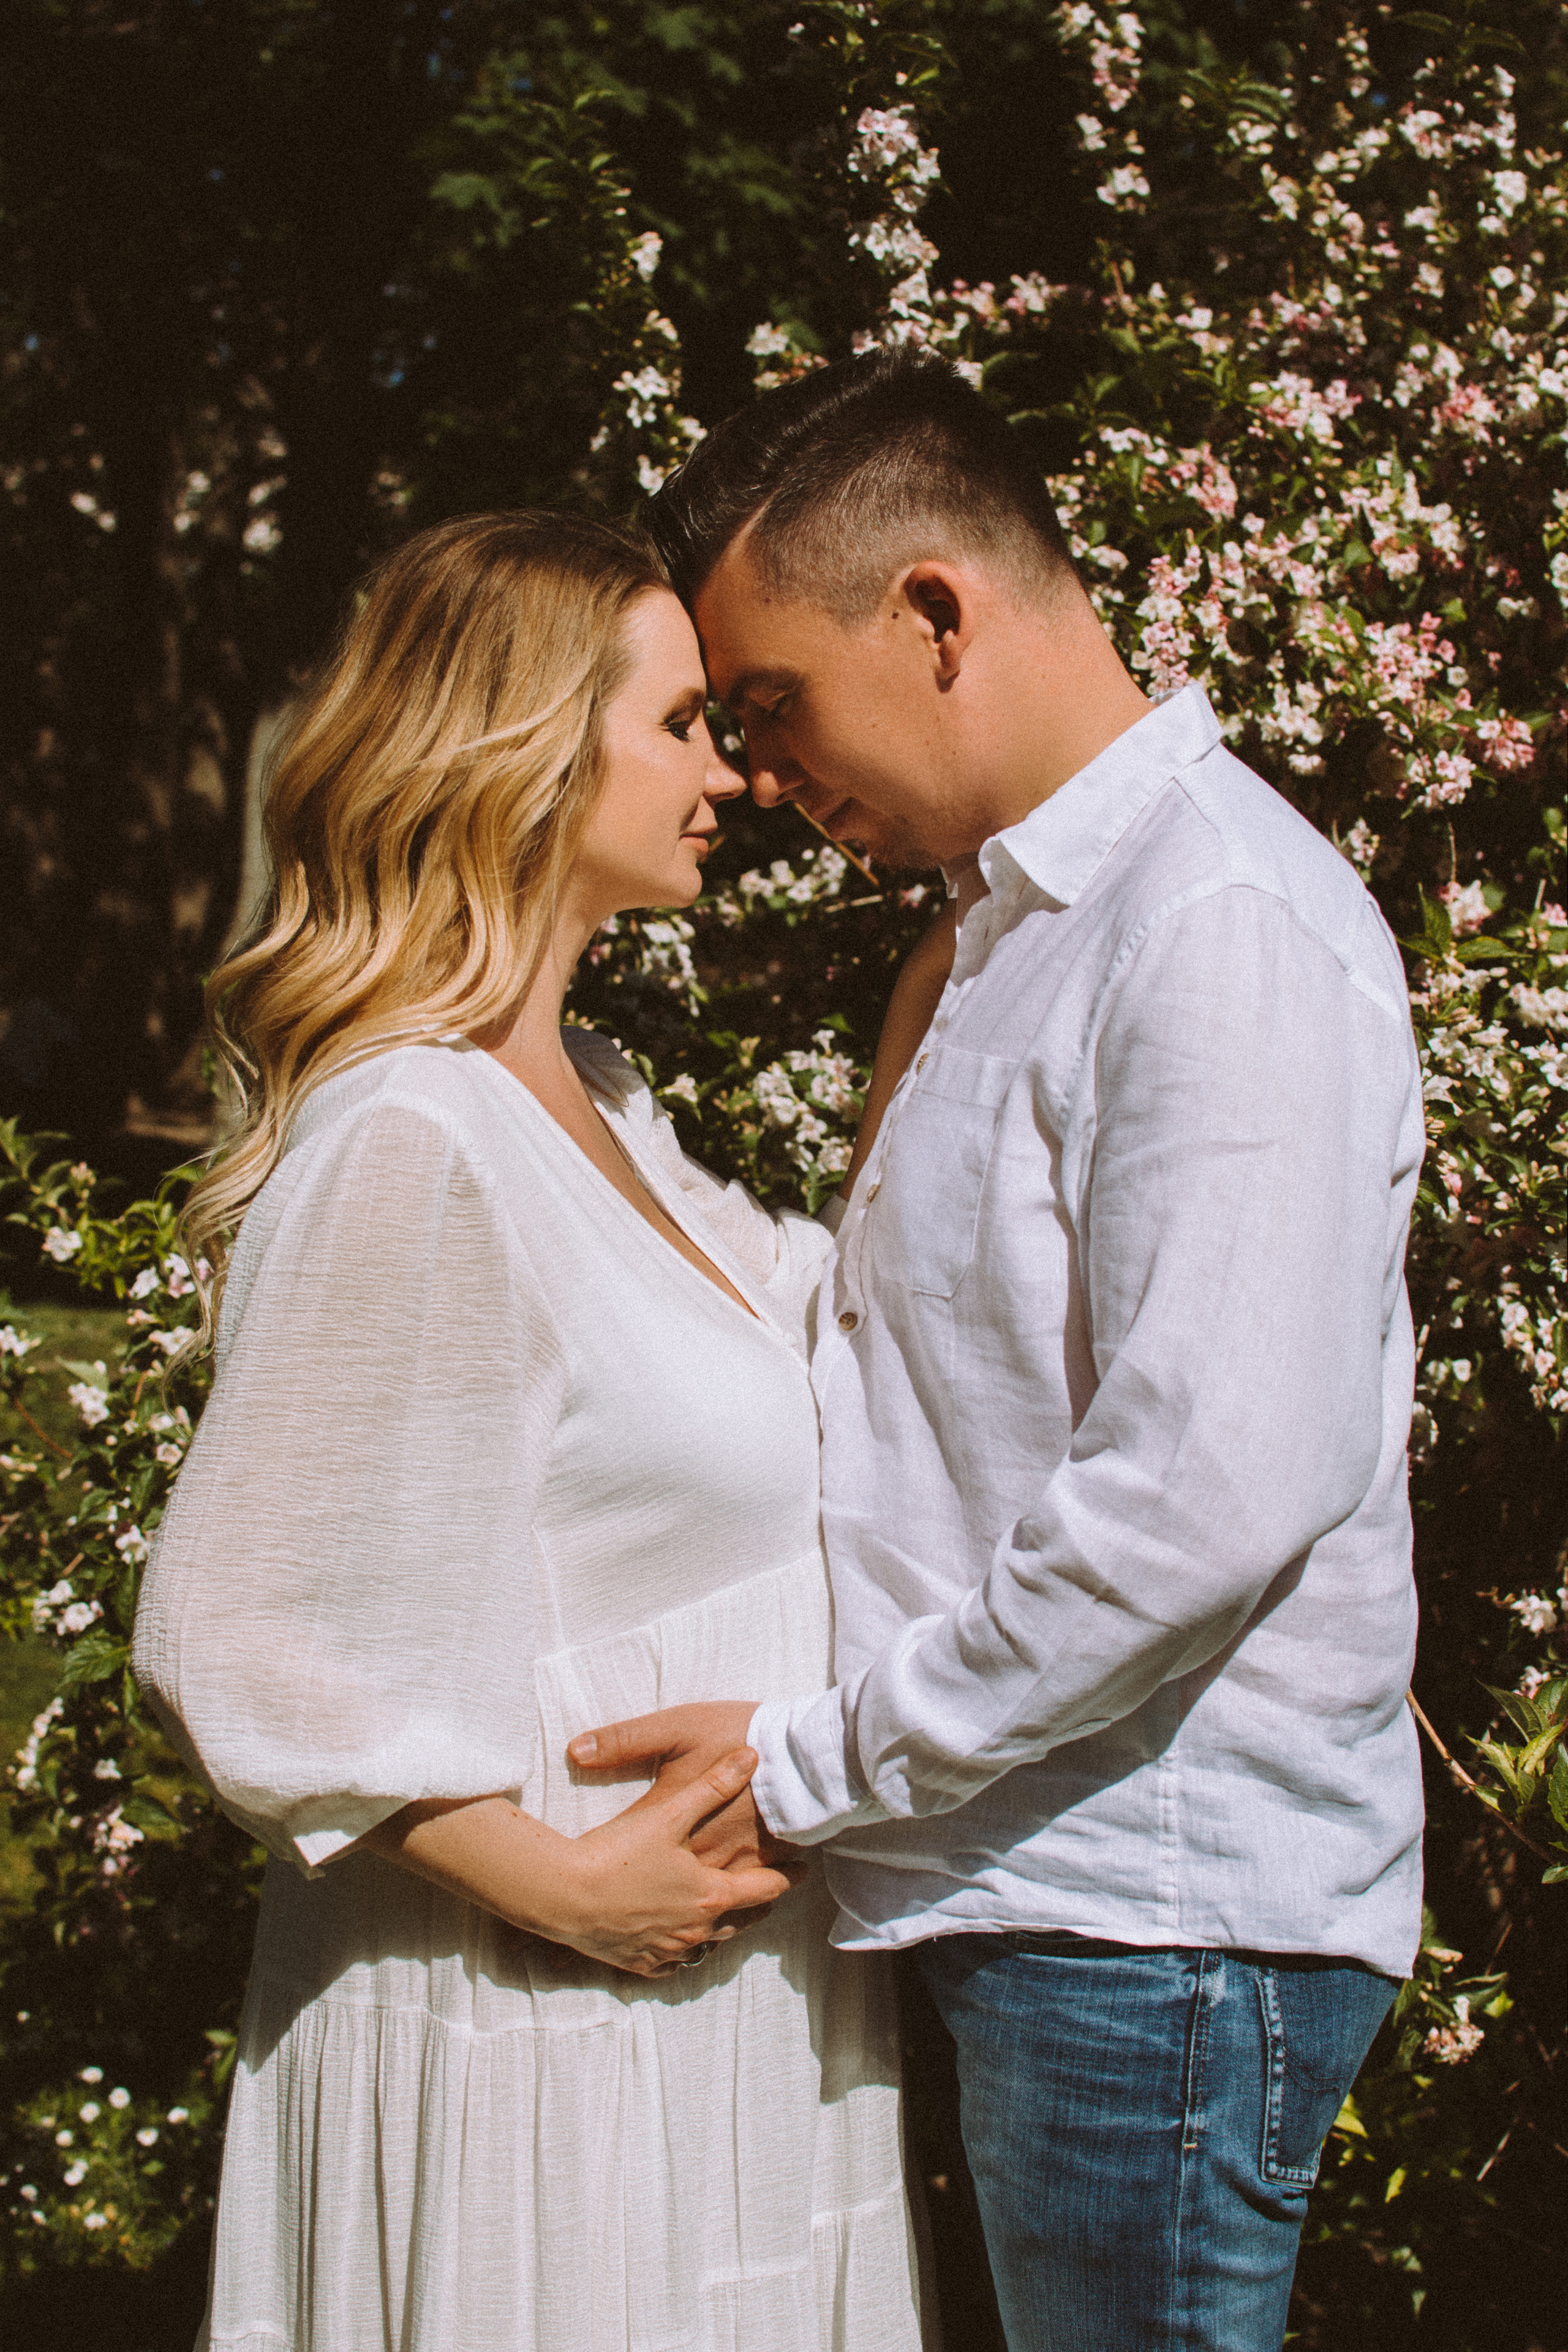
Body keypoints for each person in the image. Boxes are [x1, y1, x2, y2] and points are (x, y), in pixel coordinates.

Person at [569, 350, 1427, 2352]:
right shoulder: (1003, 933)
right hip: (1045, 1891)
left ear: (934, 612)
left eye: (772, 704)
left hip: (1156, 1918)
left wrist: (810, 1766)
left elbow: (1198, 1496)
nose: (762, 778)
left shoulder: (1216, 922)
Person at [131, 510, 930, 2352]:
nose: (727, 771)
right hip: (534, 2019)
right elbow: (236, 1628)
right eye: (678, 726)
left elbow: (827, 1321)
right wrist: (562, 1882)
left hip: (706, 2009)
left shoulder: (603, 1103)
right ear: (525, 753)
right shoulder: (416, 1131)